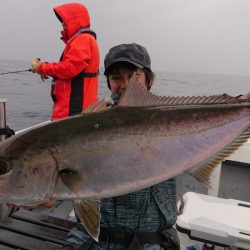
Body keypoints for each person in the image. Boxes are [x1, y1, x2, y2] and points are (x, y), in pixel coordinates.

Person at [63, 43, 180, 250]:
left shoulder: (169, 119)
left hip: (149, 242)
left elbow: (205, 111)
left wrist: (241, 103)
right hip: (93, 238)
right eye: (116, 78)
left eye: (134, 76)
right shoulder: (90, 123)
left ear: (149, 79)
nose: (125, 84)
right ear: (108, 82)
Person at [31, 2, 100, 121]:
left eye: (64, 21)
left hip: (74, 111)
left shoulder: (82, 39)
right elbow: (71, 67)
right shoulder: (83, 39)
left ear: (74, 20)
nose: (62, 24)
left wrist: (42, 68)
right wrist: (44, 68)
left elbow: (69, 68)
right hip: (73, 110)